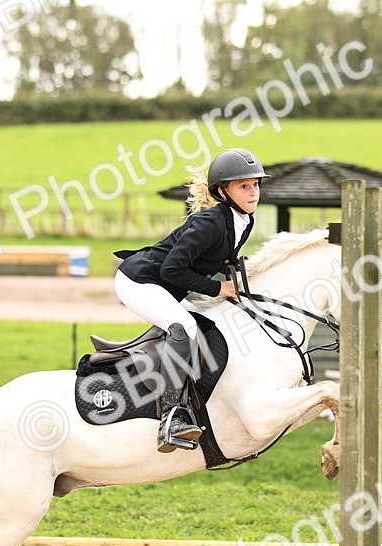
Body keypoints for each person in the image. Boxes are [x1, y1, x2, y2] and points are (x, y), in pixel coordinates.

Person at [112, 147, 269, 453]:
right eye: (244, 186)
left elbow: (217, 259)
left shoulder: (244, 221)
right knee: (184, 327)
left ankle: (198, 396)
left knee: (205, 324)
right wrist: (217, 289)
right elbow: (172, 269)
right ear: (223, 191)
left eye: (256, 185)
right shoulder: (209, 223)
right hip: (139, 280)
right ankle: (172, 417)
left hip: (166, 285)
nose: (253, 192)